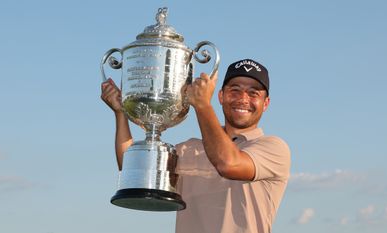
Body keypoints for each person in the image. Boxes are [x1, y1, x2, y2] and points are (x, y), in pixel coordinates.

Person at [101, 59, 291, 233]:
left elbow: (228, 164)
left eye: (253, 93)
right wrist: (120, 114)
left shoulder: (273, 147)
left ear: (265, 103)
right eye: (235, 90)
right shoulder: (189, 149)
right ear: (221, 96)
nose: (243, 98)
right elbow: (134, 170)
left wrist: (202, 105)